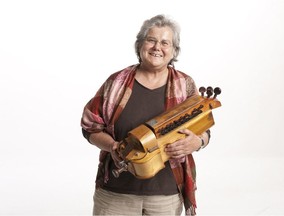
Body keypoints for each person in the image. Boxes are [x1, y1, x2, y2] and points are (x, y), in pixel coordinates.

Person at [81, 14, 211, 216]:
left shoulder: (185, 85)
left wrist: (198, 142)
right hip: (116, 194)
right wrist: (113, 146)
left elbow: (203, 128)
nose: (157, 47)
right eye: (151, 40)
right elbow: (90, 127)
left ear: (174, 51)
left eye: (165, 42)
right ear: (140, 45)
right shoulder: (116, 83)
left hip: (166, 195)